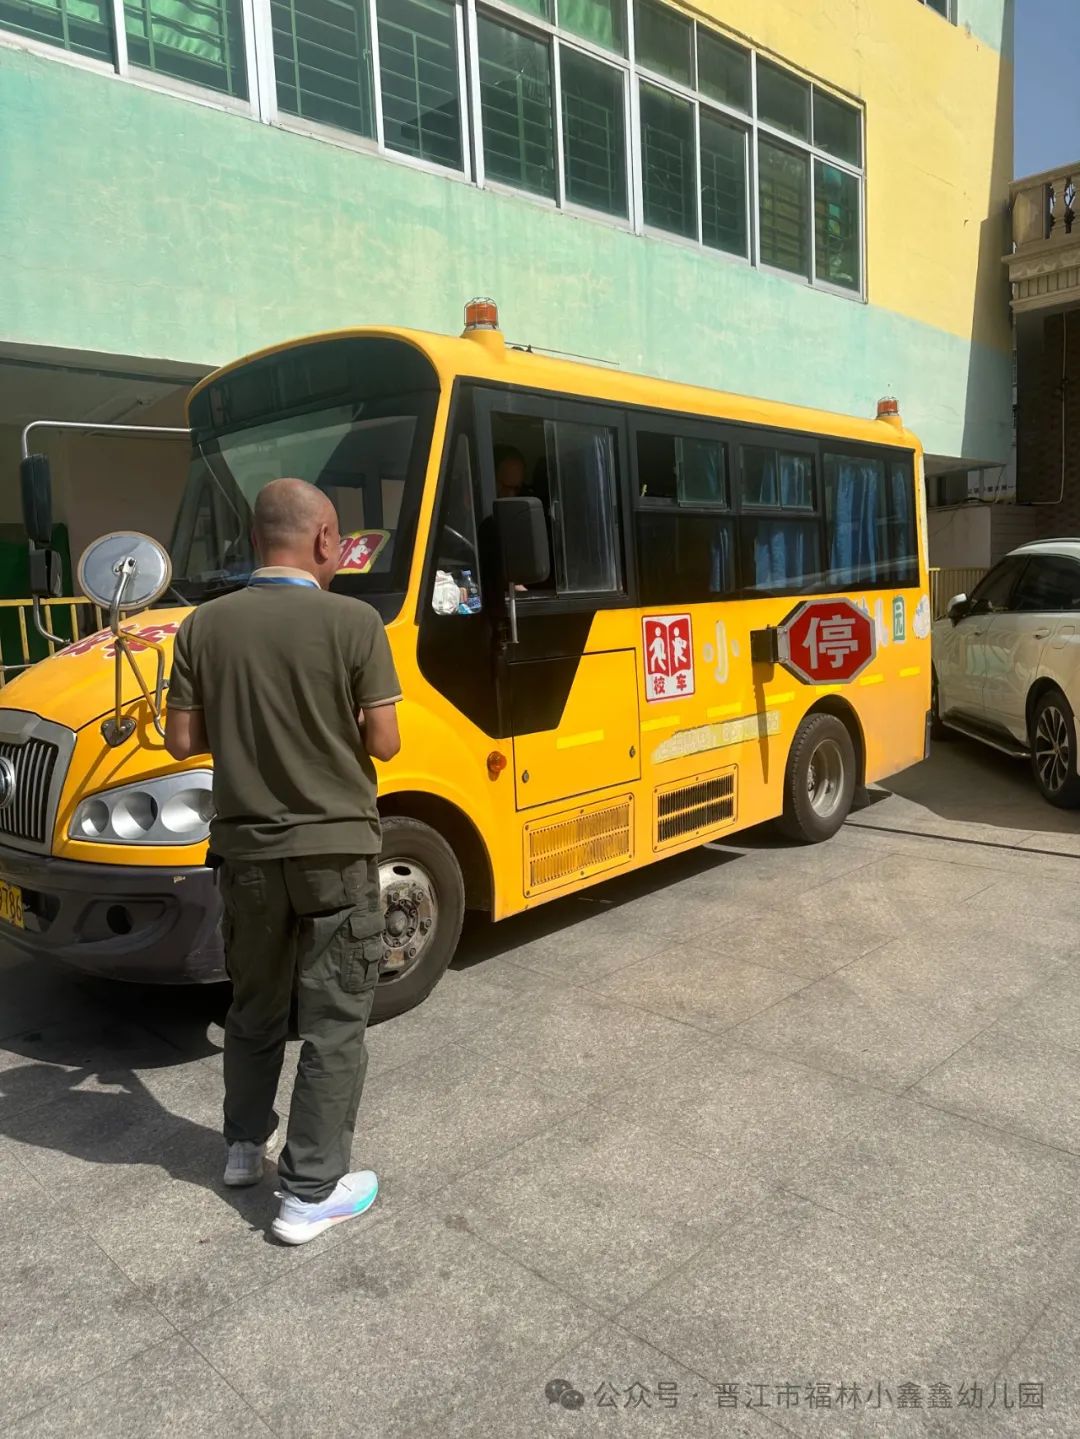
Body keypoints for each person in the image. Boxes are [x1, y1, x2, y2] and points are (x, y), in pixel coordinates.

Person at [164, 477, 401, 1246]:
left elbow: (179, 739)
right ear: (327, 538)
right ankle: (309, 1191)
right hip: (336, 851)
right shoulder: (355, 622)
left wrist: (245, 723)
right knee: (334, 1021)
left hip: (247, 854)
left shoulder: (203, 625)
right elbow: (385, 741)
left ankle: (243, 1147)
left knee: (254, 1005)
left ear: (255, 539)